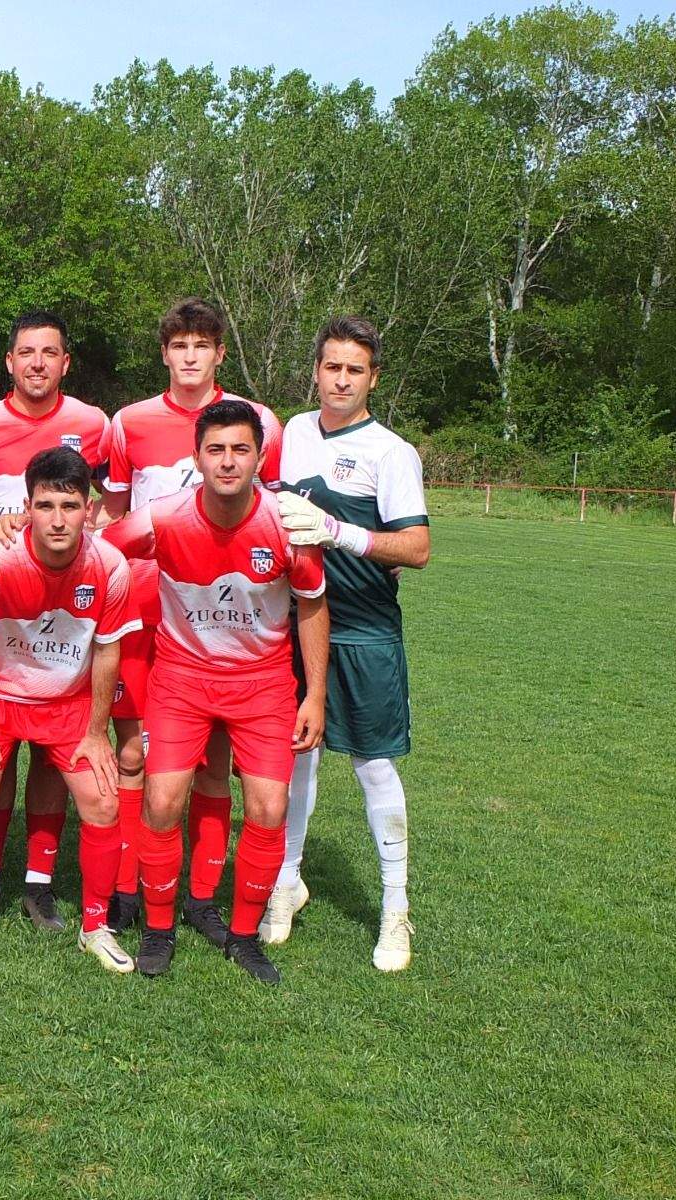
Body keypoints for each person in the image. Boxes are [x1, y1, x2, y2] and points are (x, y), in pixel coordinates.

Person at [103, 398, 329, 985]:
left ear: (259, 457)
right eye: (216, 450)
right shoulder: (162, 516)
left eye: (240, 450)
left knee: (269, 807)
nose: (228, 462)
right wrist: (23, 529)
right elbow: (97, 550)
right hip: (181, 680)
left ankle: (246, 937)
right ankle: (158, 930)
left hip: (264, 686)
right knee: (161, 802)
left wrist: (315, 695)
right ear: (197, 457)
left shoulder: (288, 525)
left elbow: (312, 606)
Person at [99, 297, 285, 941]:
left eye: (201, 346)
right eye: (179, 346)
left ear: (219, 354)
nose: (189, 357)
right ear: (165, 354)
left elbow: (272, 510)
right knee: (133, 756)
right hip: (142, 612)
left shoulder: (258, 422)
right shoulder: (129, 423)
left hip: (219, 621)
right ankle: (128, 885)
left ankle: (203, 897)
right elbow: (114, 517)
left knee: (211, 763)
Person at [259, 316, 431, 972]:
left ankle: (394, 908)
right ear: (316, 370)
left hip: (362, 632)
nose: (340, 379)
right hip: (296, 626)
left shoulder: (392, 452)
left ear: (372, 378)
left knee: (371, 765)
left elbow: (416, 548)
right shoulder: (293, 433)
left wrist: (341, 532)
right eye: (332, 366)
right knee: (297, 756)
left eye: (354, 369)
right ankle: (286, 883)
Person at [0, 447, 141, 975]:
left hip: (66, 702)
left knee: (102, 800)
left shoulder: (110, 567)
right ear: (27, 507)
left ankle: (95, 926)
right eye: (45, 505)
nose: (57, 518)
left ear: (89, 509)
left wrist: (96, 733)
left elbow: (109, 648)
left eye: (70, 505)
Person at [0, 311, 111, 931]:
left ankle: (39, 882)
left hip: (65, 617)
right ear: (8, 362)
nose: (37, 362)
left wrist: (84, 527)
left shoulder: (93, 425)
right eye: (26, 353)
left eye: (50, 353)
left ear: (66, 362)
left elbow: (108, 508)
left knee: (49, 757)